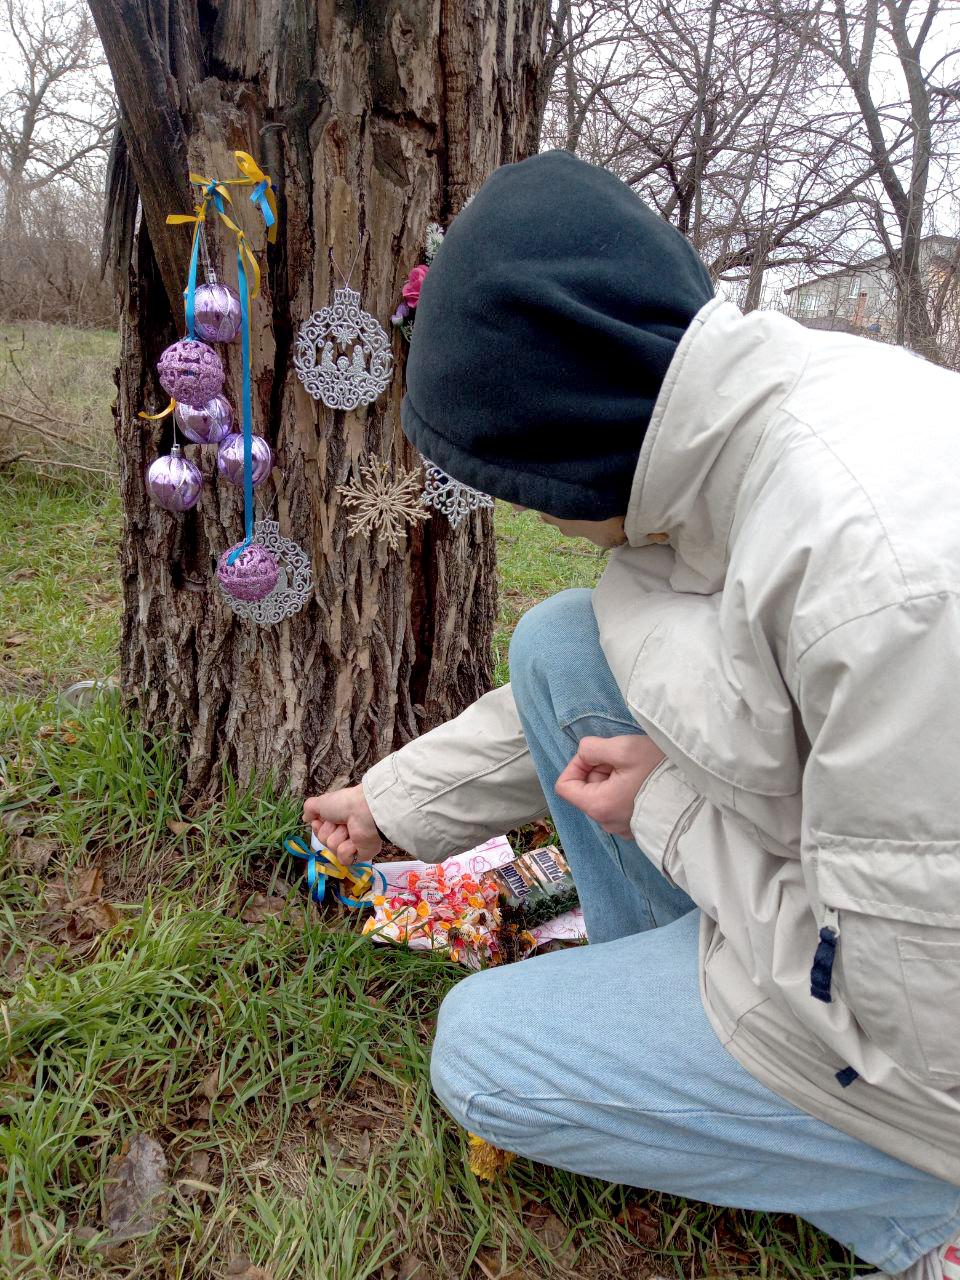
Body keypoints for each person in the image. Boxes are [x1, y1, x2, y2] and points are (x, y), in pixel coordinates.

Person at [304, 151, 960, 1279]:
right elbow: (626, 663)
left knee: (485, 1054)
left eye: (518, 483)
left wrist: (666, 813)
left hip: (919, 1045)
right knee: (562, 639)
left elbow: (910, 1025)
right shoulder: (748, 419)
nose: (530, 514)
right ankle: (667, 987)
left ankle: (919, 1213)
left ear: (565, 433)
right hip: (864, 894)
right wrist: (389, 804)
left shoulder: (883, 593)